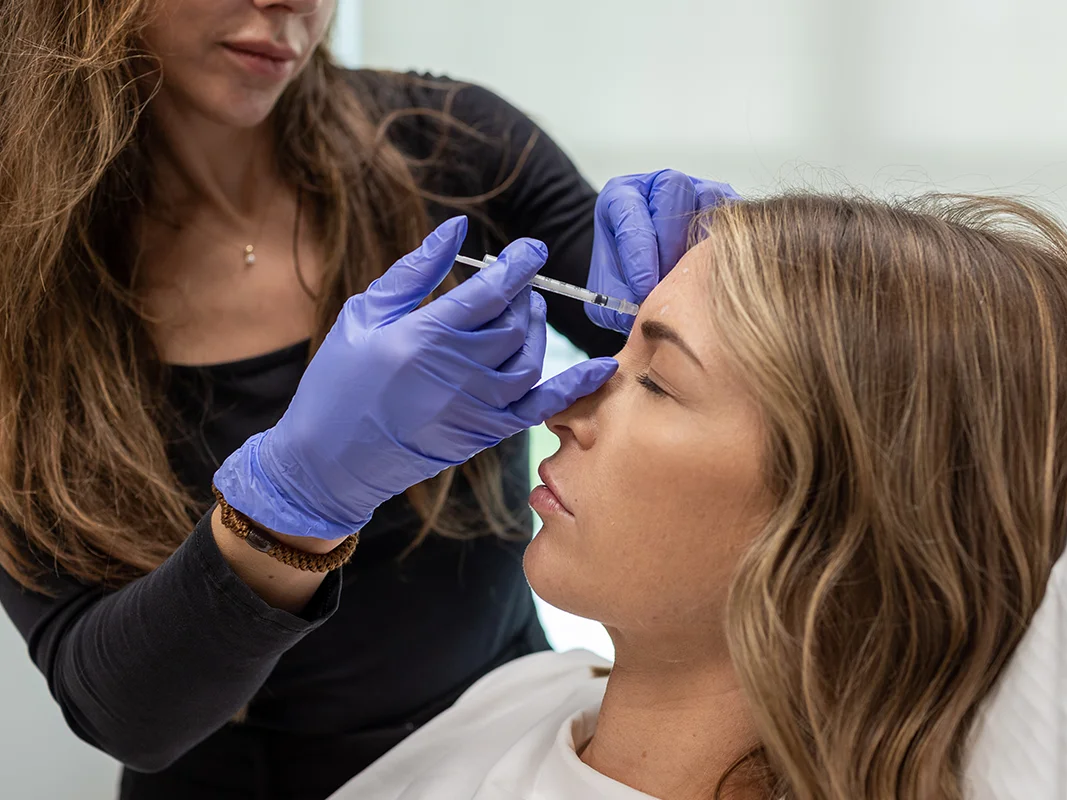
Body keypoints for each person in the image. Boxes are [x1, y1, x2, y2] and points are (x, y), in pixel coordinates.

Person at [0, 1, 733, 798]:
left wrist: (726, 275)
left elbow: (684, 348)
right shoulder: (20, 283)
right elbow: (121, 712)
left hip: (509, 740)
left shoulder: (453, 145)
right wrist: (293, 502)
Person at [328, 192, 1067, 800]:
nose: (560, 410)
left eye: (659, 382)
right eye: (618, 350)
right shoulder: (526, 693)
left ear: (845, 508)